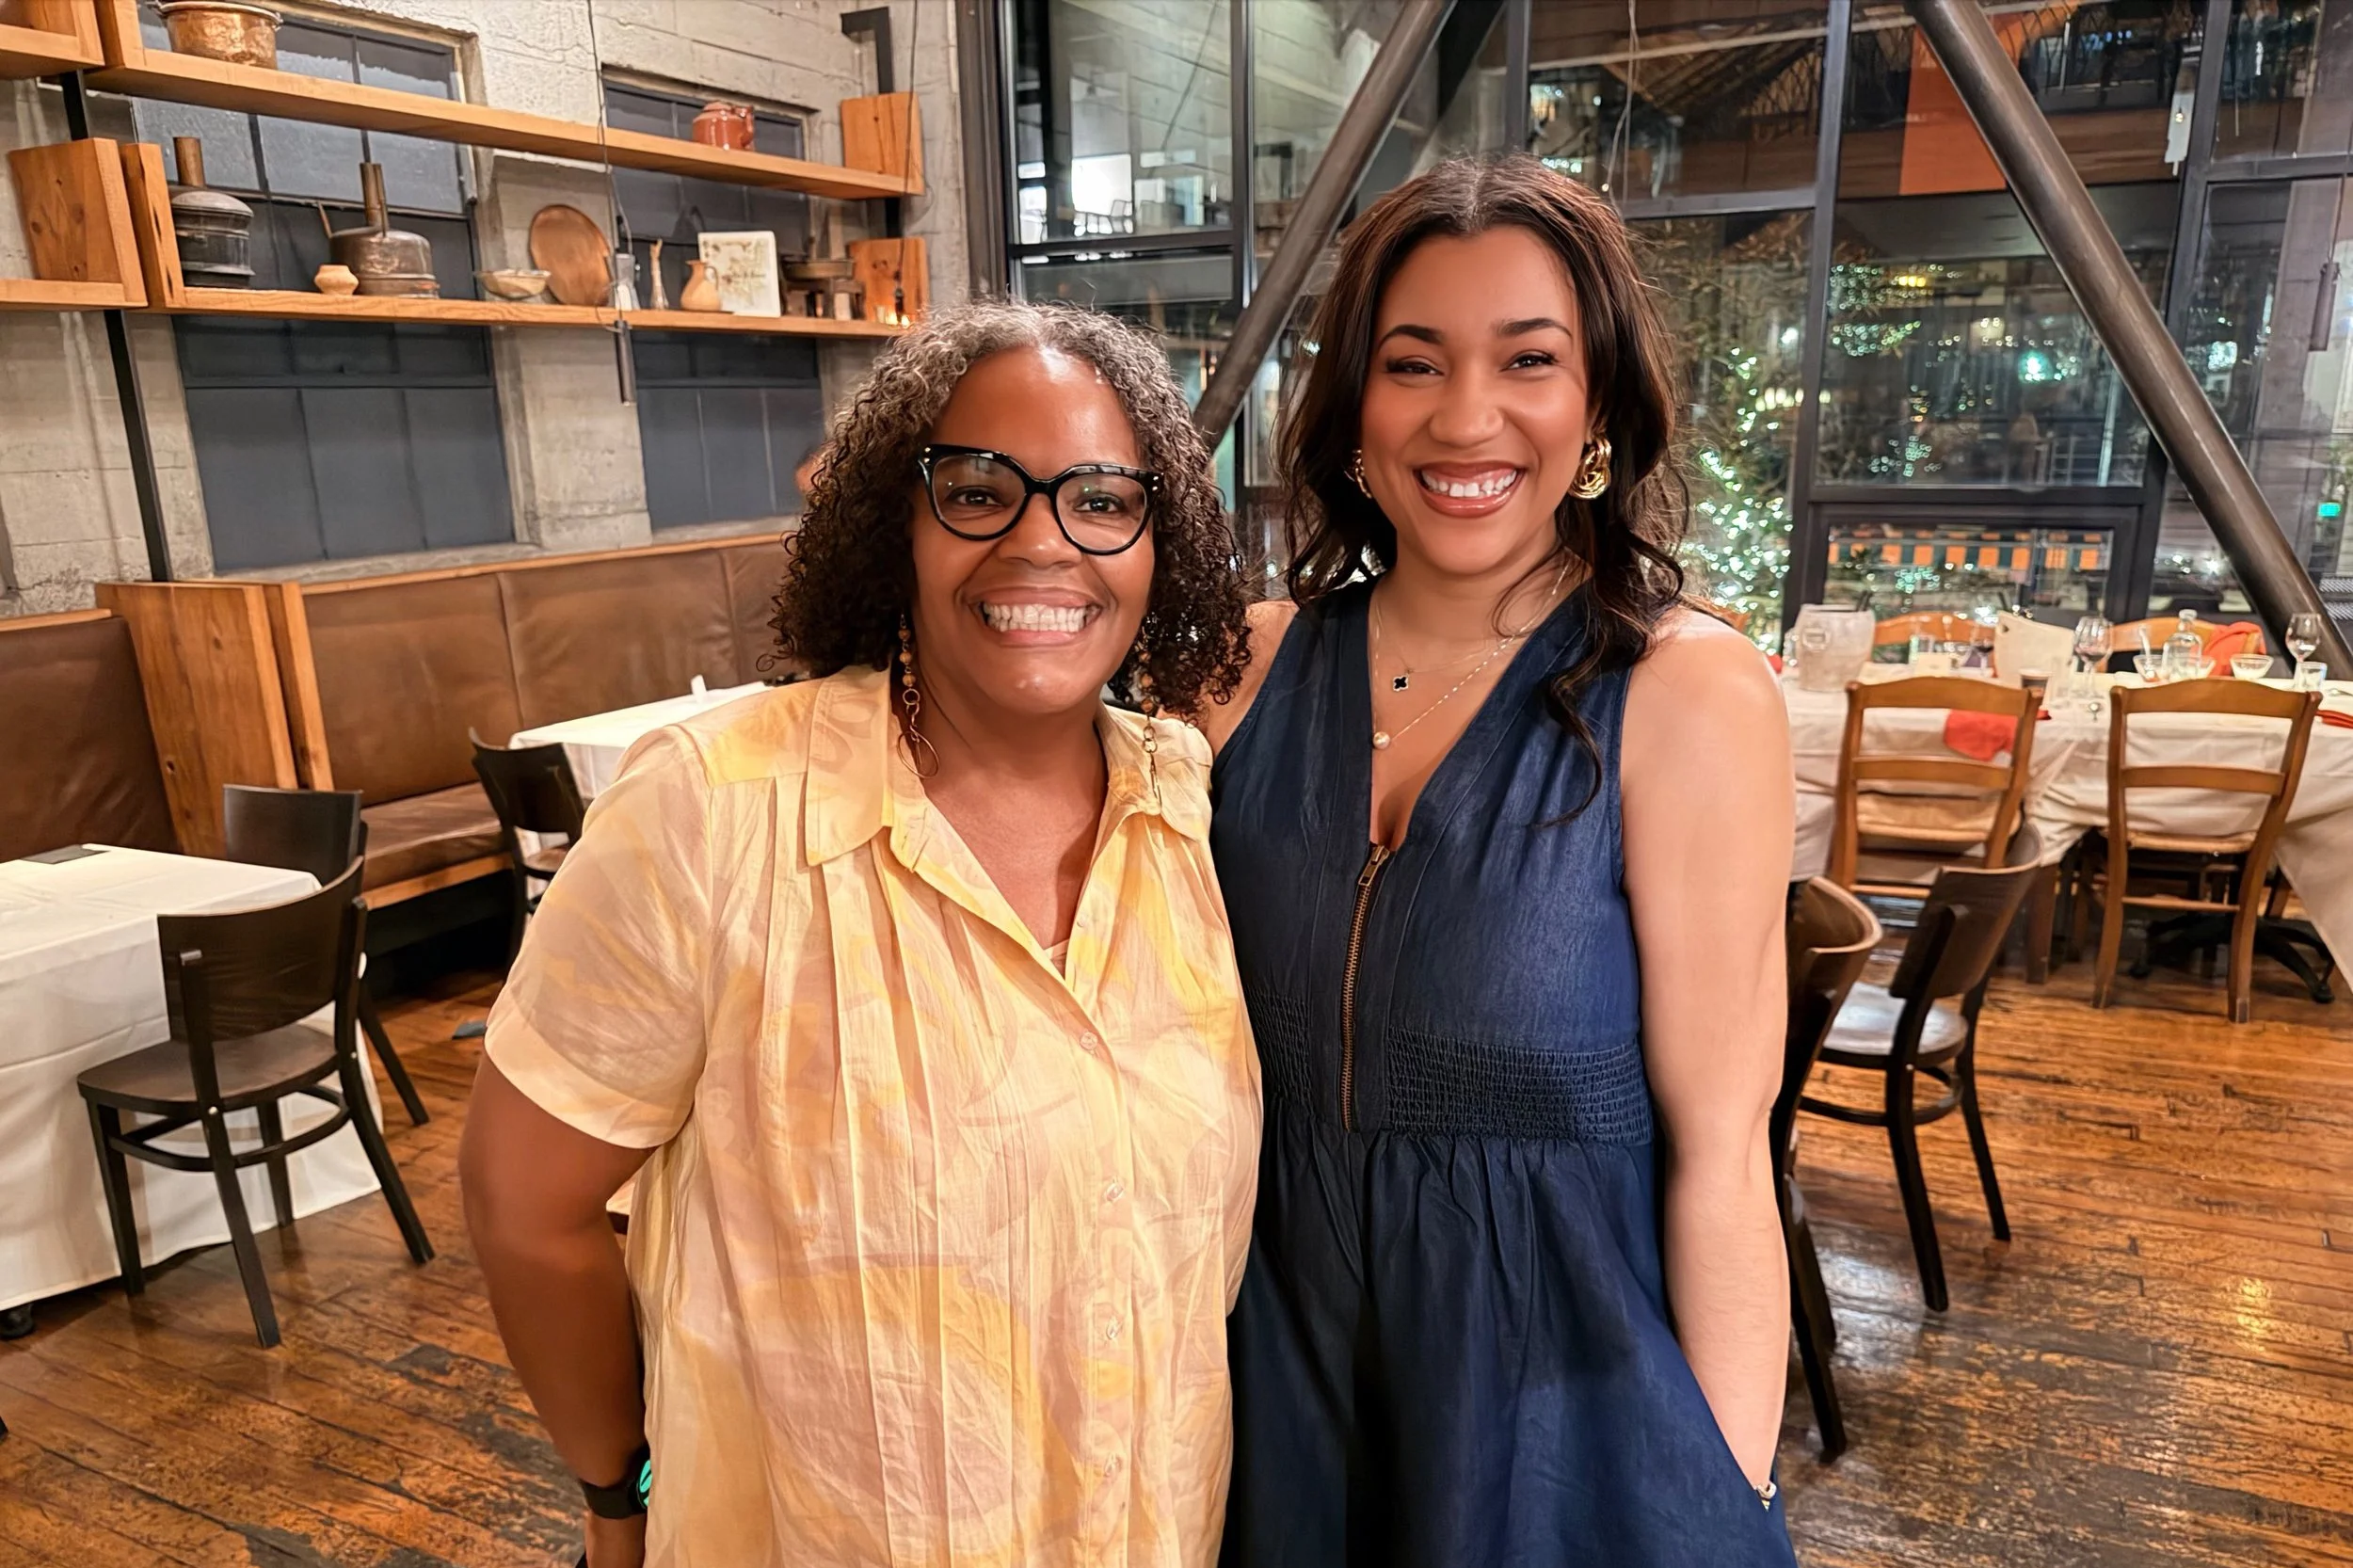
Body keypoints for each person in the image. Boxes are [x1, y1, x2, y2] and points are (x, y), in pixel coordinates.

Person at [461, 300, 1259, 1568]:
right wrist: (621, 1491)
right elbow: (523, 1205)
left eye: (1103, 500)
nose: (1042, 540)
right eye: (978, 491)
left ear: (1160, 542)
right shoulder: (713, 812)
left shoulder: (1187, 805)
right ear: (898, 521)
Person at [1198, 155, 1800, 1564]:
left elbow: (1724, 1158)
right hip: (1265, 1410)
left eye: (1529, 360)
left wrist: (1723, 1500)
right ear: (1356, 409)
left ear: (1596, 408)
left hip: (1559, 1445)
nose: (1466, 415)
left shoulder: (1686, 692)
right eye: (1413, 363)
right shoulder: (1242, 669)